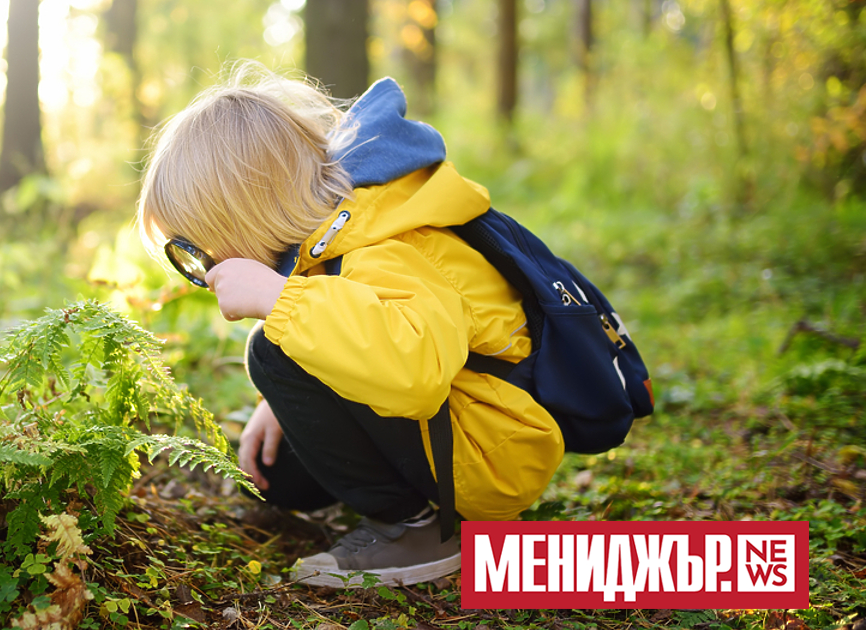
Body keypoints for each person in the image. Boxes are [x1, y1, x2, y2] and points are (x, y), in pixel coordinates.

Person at [135, 62, 564, 587]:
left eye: (195, 249)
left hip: (489, 452)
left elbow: (415, 371)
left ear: (244, 216)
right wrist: (284, 400)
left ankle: (414, 531)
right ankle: (392, 502)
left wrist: (279, 301)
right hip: (458, 429)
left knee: (269, 349)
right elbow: (353, 324)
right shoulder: (331, 238)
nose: (200, 269)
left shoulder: (385, 243)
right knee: (280, 477)